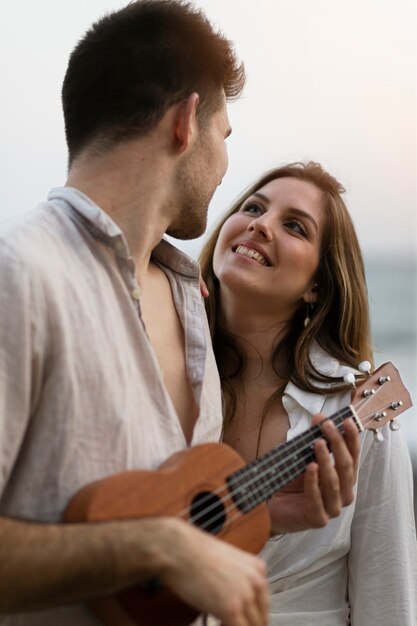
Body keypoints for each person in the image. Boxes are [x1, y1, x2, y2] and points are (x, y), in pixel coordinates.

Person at [0, 2, 360, 625]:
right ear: (187, 122)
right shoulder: (21, 275)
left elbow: (155, 508)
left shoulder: (189, 300)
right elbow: (154, 543)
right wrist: (157, 546)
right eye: (226, 137)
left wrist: (266, 514)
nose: (224, 167)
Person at [200, 161, 417, 625]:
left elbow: (388, 601)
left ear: (316, 285)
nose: (260, 224)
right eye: (253, 207)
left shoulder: (356, 415)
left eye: (294, 225)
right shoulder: (168, 378)